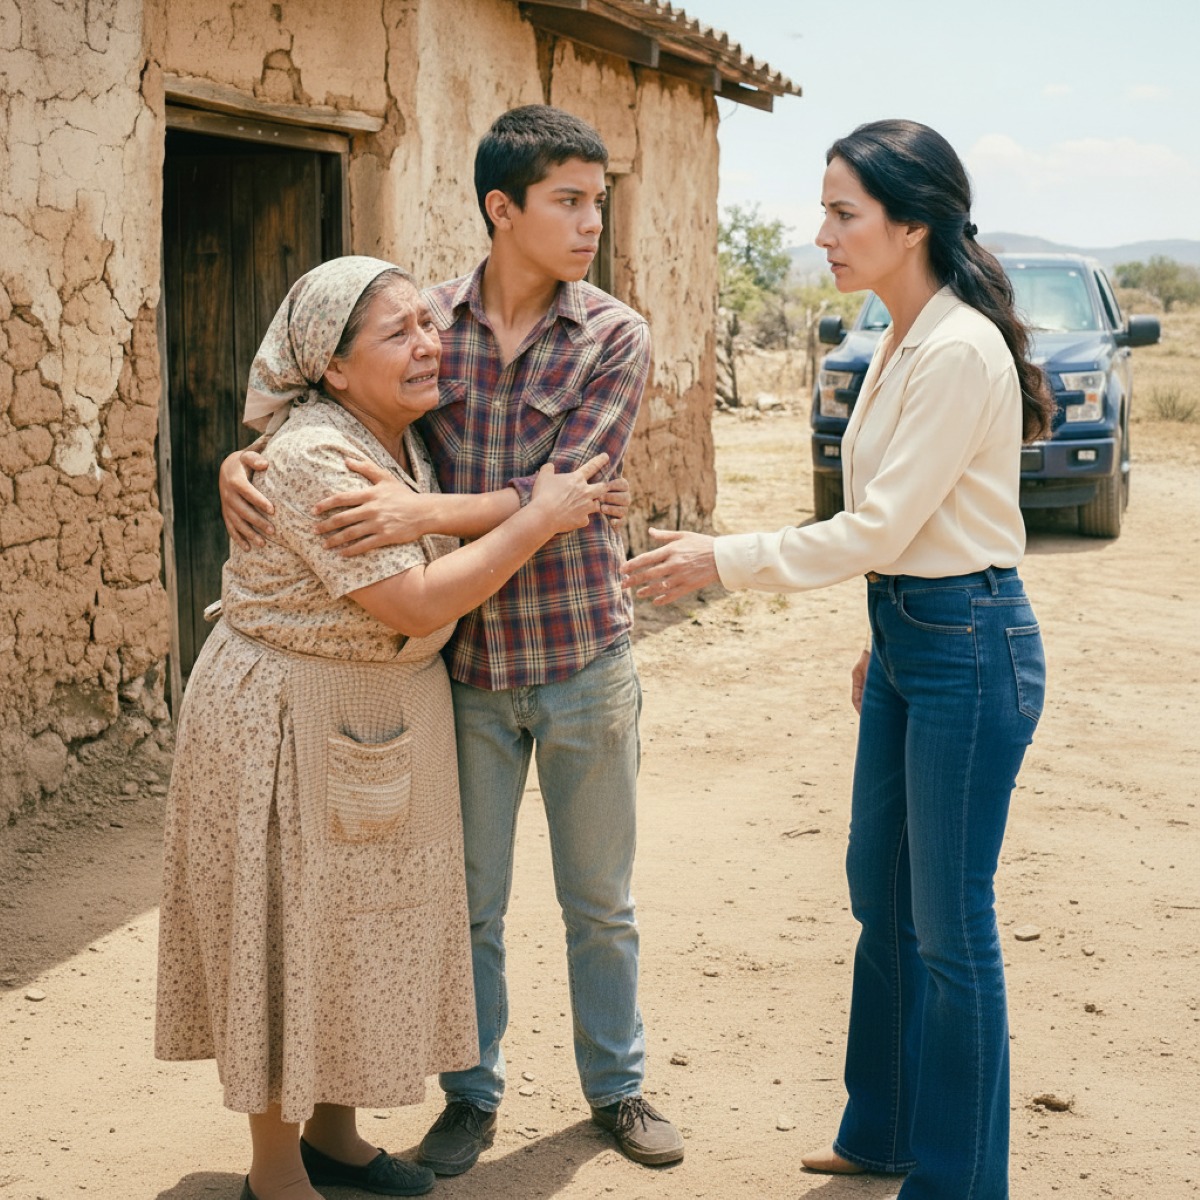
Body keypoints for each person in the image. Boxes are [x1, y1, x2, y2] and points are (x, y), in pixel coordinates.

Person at [218, 106, 685, 1172]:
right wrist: (237, 464)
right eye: (569, 201)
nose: (591, 225)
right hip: (461, 671)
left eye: (599, 203)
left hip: (581, 655)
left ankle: (616, 1090)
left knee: (598, 902)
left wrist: (423, 515)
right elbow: (302, 398)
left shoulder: (614, 336)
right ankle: (470, 1096)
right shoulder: (420, 322)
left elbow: (577, 490)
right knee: (461, 903)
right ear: (501, 208)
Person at [622, 120, 1053, 1199]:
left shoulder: (956, 347)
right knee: (883, 894)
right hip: (916, 635)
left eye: (842, 212)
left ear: (911, 223)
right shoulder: (900, 332)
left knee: (952, 930)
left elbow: (881, 523)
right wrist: (881, 634)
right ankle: (886, 1131)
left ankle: (960, 1183)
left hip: (969, 643)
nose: (821, 233)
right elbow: (898, 523)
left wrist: (722, 560)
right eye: (825, 210)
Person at [157, 255, 613, 1200]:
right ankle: (276, 1174)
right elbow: (411, 600)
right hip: (288, 719)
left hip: (366, 712)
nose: (426, 345)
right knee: (290, 931)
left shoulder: (398, 438)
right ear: (330, 365)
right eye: (397, 334)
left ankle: (336, 1137)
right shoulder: (318, 456)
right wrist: (539, 521)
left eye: (426, 324)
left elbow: (436, 520)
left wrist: (535, 500)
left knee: (351, 933)